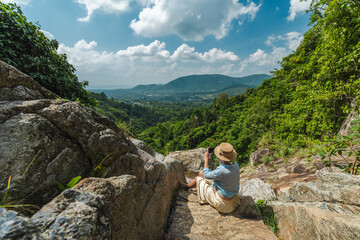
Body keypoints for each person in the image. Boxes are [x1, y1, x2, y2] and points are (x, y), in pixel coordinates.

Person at [180, 142, 240, 213]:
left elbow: (206, 175)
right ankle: (194, 188)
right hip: (233, 199)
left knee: (199, 178)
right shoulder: (235, 165)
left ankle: (187, 187)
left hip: (223, 203)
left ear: (220, 158)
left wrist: (206, 158)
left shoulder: (221, 170)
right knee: (201, 174)